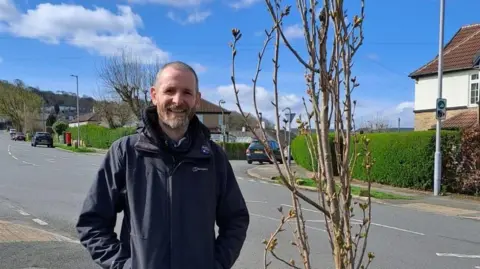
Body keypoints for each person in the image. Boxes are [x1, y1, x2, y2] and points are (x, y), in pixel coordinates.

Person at [76, 61, 250, 269]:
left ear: (196, 99)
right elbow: (92, 222)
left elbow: (236, 220)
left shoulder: (214, 158)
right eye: (169, 90)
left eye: (186, 92)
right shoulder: (126, 152)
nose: (178, 100)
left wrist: (217, 264)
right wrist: (123, 265)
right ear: (154, 95)